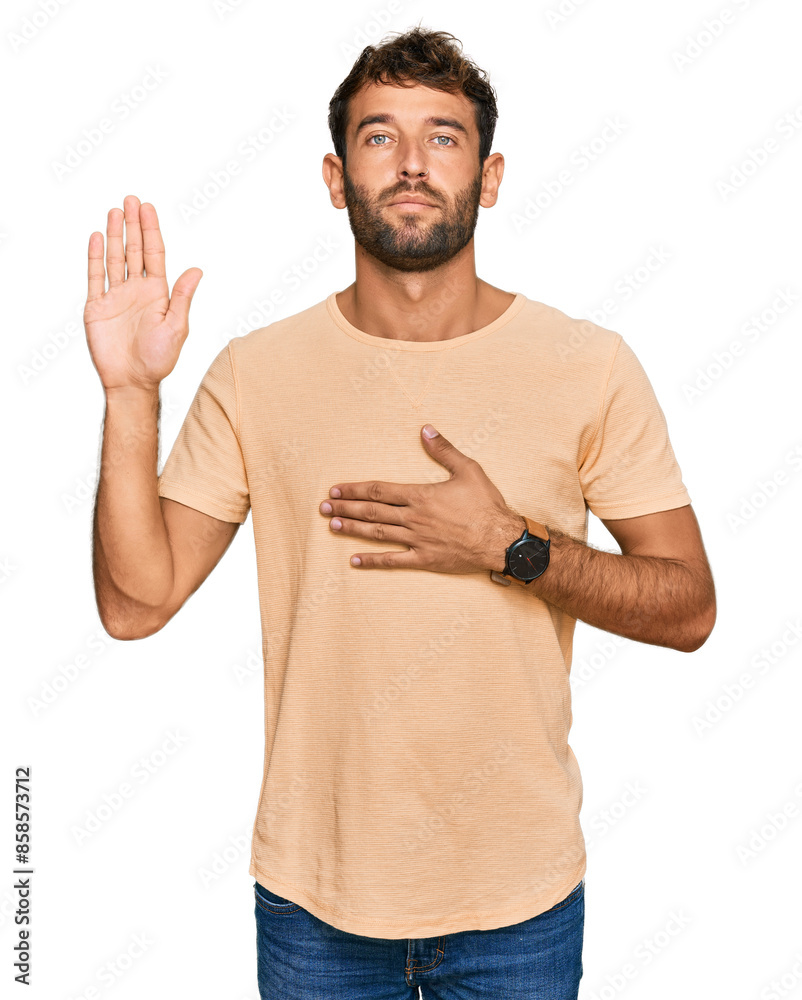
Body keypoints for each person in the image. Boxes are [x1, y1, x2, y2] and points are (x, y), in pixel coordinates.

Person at [85, 25, 716, 1000]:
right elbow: (137, 602)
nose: (413, 162)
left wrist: (509, 546)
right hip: (315, 905)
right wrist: (131, 396)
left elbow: (687, 609)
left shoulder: (589, 365)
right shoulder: (257, 373)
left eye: (444, 137)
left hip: (518, 906)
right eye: (380, 137)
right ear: (336, 178)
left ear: (490, 174)